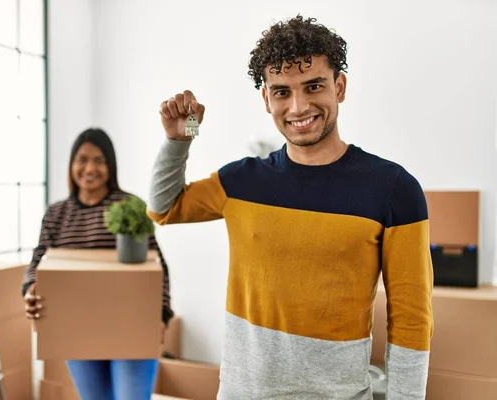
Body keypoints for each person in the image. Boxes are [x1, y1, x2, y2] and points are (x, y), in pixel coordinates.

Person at [147, 15, 433, 400]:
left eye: (313, 86)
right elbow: (164, 208)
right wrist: (183, 139)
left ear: (340, 87)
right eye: (282, 91)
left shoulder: (394, 189)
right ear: (266, 99)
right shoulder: (240, 182)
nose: (298, 107)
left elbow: (412, 319)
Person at [22, 128, 173, 400]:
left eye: (99, 160)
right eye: (82, 159)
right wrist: (31, 289)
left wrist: (161, 314)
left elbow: (156, 264)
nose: (89, 168)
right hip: (78, 328)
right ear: (71, 164)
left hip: (132, 326)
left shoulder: (130, 206)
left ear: (110, 166)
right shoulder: (57, 214)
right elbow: (38, 261)